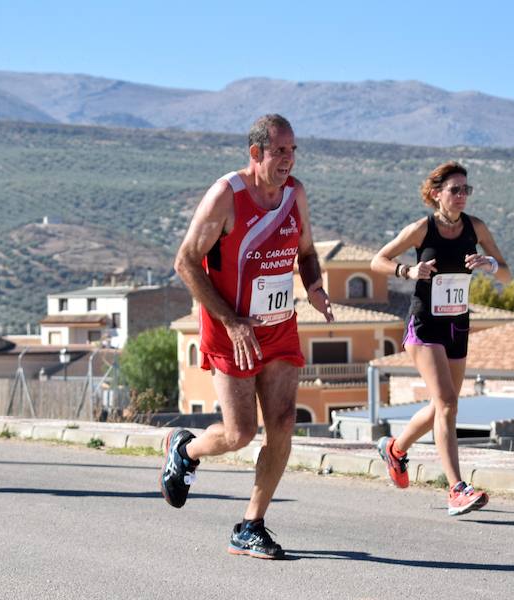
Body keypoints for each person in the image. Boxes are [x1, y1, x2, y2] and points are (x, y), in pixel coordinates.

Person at [163, 114, 334, 559]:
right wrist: (232, 321)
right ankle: (187, 450)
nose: (288, 160)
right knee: (240, 433)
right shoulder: (227, 196)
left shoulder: (295, 193)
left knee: (282, 424)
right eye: (280, 151)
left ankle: (251, 524)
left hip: (279, 328)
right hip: (229, 329)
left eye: (293, 150)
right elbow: (185, 262)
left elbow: (308, 252)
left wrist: (314, 285)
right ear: (255, 153)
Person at [370, 161, 510, 515]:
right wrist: (407, 269)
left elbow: (507, 275)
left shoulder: (475, 227)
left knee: (442, 405)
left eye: (467, 189)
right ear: (436, 194)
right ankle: (456, 489)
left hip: (457, 325)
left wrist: (490, 266)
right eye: (455, 190)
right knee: (446, 403)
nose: (462, 196)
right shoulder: (422, 229)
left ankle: (395, 449)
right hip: (425, 324)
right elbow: (378, 260)